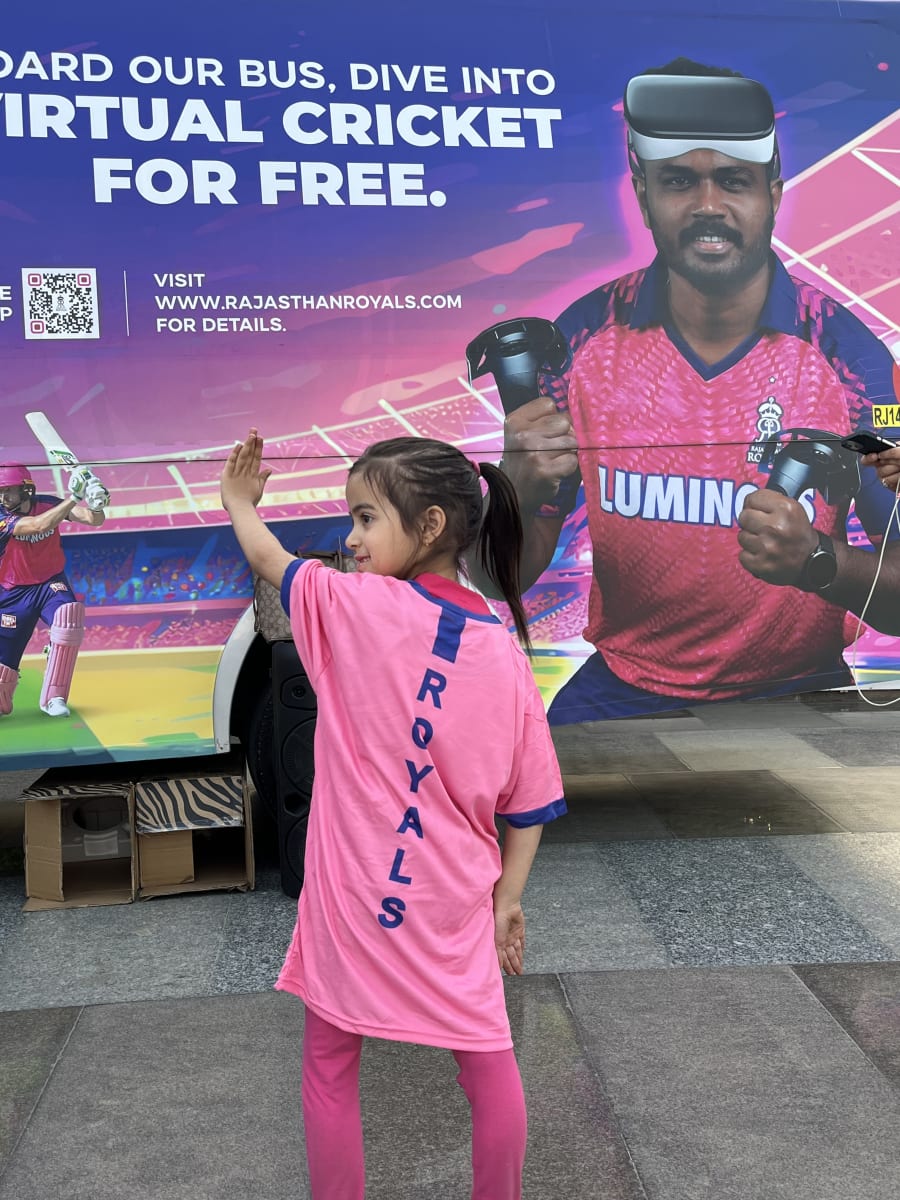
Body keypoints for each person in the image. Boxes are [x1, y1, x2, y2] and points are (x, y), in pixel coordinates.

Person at [495, 57, 900, 723]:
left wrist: (817, 560)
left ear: (772, 189)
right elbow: (504, 577)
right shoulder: (580, 340)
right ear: (642, 188)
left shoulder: (846, 355)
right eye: (680, 181)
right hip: (622, 685)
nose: (709, 207)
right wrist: (518, 487)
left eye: (734, 182)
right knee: (541, 809)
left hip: (800, 687)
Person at [221, 428, 565, 1200]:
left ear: (432, 526)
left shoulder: (355, 607)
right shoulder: (504, 653)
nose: (351, 536)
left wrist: (239, 503)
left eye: (366, 517)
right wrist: (507, 899)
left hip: (351, 897)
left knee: (329, 1061)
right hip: (453, 903)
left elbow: (272, 563)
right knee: (486, 1057)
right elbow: (531, 801)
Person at [0, 463, 109, 718]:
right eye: (0, 492)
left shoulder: (49, 503)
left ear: (26, 490)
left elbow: (94, 520)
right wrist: (75, 497)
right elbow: (38, 525)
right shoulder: (2, 517)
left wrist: (96, 501)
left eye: (9, 491)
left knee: (68, 617)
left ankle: (54, 698)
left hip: (50, 583)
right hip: (13, 593)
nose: (3, 498)